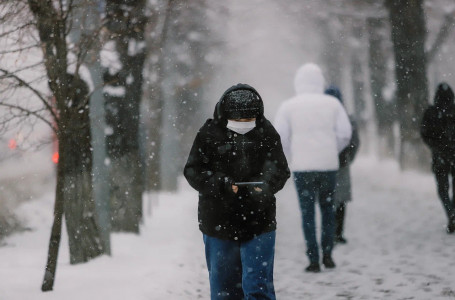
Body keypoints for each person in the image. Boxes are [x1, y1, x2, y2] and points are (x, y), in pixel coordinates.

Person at [184, 83, 290, 299]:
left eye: (248, 120)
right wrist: (220, 184)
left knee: (258, 287)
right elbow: (193, 171)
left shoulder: (267, 133)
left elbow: (280, 170)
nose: (243, 125)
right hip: (218, 222)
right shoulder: (208, 134)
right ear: (225, 115)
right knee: (224, 290)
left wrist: (266, 184)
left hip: (260, 221)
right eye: (238, 121)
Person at [274, 63, 352, 272]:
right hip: (328, 166)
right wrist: (330, 149)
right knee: (328, 209)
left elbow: (280, 136)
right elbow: (345, 133)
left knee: (307, 213)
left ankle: (313, 259)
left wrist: (294, 152)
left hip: (303, 167)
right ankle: (328, 253)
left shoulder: (288, 106)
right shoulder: (333, 104)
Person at [325, 85, 360, 244]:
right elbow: (355, 142)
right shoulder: (347, 117)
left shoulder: (321, 118)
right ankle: (338, 232)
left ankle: (330, 231)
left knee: (328, 199)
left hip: (325, 163)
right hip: (342, 163)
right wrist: (348, 158)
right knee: (341, 199)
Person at [421, 82, 455, 234]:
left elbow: (425, 134)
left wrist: (436, 147)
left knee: (442, 189)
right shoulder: (452, 110)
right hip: (453, 155)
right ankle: (452, 213)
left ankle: (451, 214)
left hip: (439, 156)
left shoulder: (431, 112)